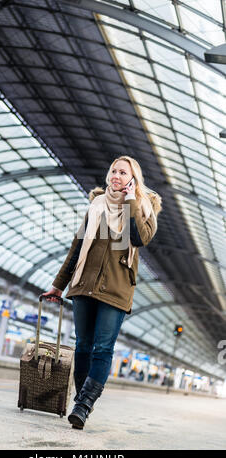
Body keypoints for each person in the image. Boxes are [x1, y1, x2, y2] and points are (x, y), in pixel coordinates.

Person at [42, 156, 162, 429]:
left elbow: (138, 238)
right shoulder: (96, 206)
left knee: (103, 348)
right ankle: (81, 403)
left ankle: (83, 405)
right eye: (114, 171)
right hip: (84, 284)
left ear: (133, 179)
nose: (116, 175)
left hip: (116, 289)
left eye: (123, 172)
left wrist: (130, 201)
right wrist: (58, 285)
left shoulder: (144, 209)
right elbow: (77, 248)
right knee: (83, 345)